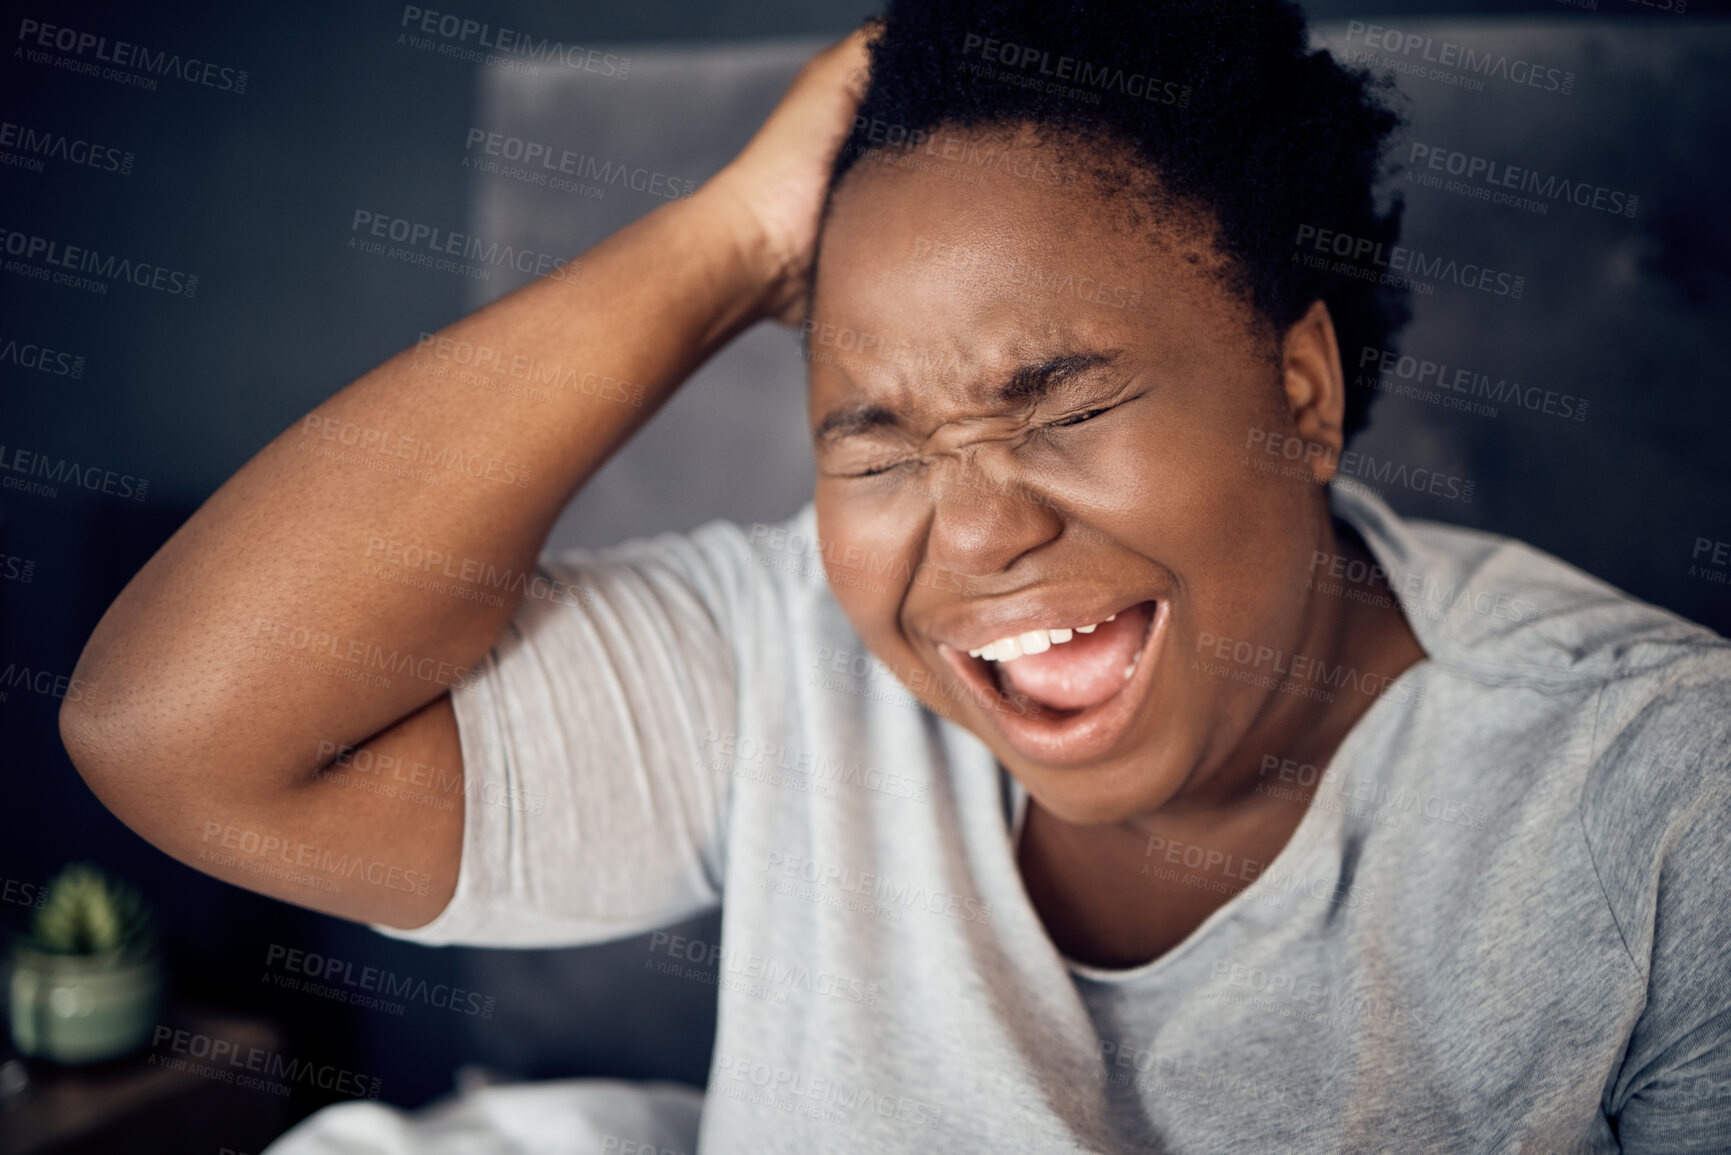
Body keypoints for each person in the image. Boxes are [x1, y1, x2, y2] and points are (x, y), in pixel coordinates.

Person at [61, 2, 1731, 1151]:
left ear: (1301, 390)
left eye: (1065, 402)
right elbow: (176, 731)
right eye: (875, 443)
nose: (977, 530)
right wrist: (726, 244)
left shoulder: (1657, 801)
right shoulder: (788, 649)